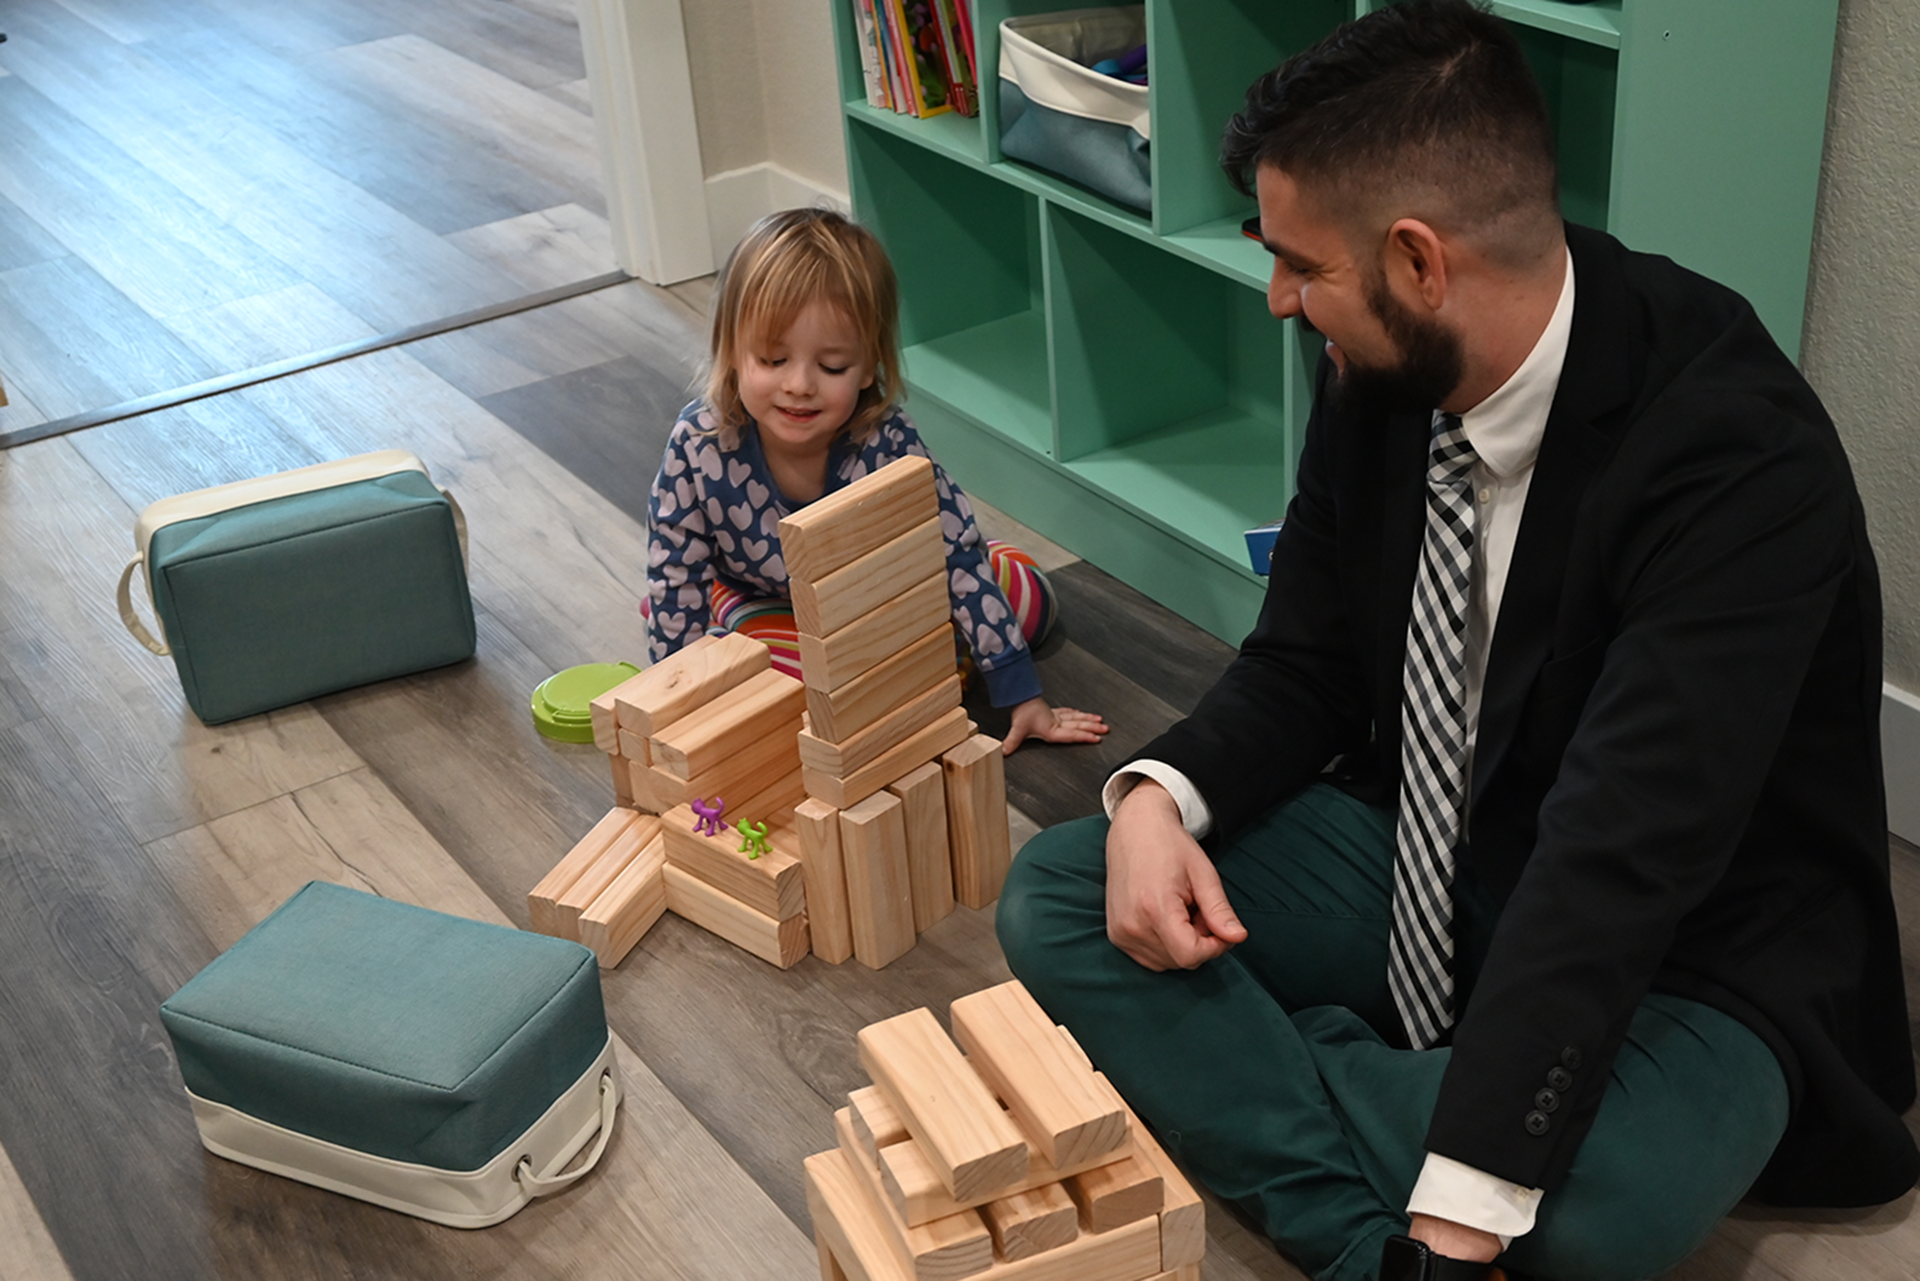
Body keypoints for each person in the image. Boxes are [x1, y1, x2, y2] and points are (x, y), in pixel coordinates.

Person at [996, 3, 1918, 1279]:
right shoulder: (1380, 372)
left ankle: (1279, 1070)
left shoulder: (1739, 459)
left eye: (1302, 267)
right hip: (1437, 842)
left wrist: (1466, 1202)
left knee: (1585, 1220)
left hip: (1691, 941)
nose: (1279, 298)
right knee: (1066, 891)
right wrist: (1159, 800)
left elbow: (1623, 855)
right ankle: (1373, 1212)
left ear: (1419, 262)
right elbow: (1306, 660)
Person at [647, 207, 1108, 755]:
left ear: (868, 367)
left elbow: (955, 556)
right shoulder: (698, 443)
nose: (799, 385)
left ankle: (948, 644)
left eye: (833, 366)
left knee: (1030, 602)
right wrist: (679, 708)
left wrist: (1021, 694)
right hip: (761, 597)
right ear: (730, 352)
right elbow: (674, 573)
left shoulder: (886, 442)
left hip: (868, 599)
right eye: (772, 359)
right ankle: (927, 659)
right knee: (775, 674)